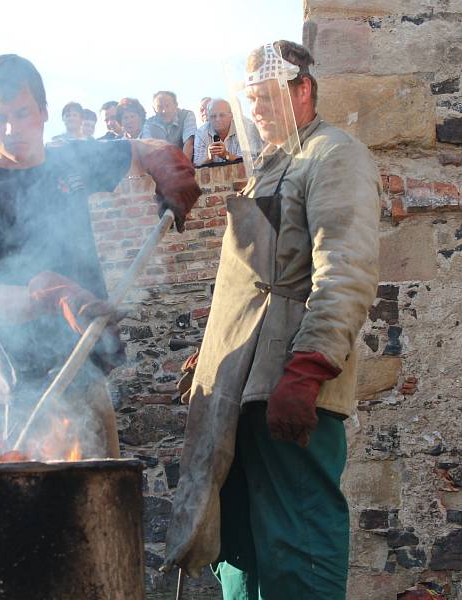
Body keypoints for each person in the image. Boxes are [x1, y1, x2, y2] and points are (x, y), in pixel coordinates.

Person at [163, 40, 381, 600]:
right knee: (241, 547)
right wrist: (214, 348)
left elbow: (345, 272)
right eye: (249, 98)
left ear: (302, 90)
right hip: (243, 386)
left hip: (286, 383)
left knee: (298, 543)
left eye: (266, 96)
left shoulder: (334, 155)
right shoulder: (272, 166)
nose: (256, 109)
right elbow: (253, 282)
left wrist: (307, 370)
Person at [0, 54, 200, 464]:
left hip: (86, 382)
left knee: (102, 520)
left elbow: (137, 148)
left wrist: (165, 162)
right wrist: (45, 295)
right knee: (20, 527)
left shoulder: (68, 158)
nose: (11, 130)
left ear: (44, 112)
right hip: (20, 399)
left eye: (22, 113)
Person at [193, 98, 260, 166]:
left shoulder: (244, 128)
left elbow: (252, 161)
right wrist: (209, 158)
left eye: (222, 115)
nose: (218, 119)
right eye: (213, 116)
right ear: (208, 118)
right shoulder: (201, 133)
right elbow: (196, 165)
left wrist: (226, 155)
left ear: (231, 115)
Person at [142, 91, 197, 161]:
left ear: (176, 105)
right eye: (160, 107)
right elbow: (148, 148)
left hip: (185, 163)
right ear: (154, 109)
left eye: (167, 105)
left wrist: (183, 168)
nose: (164, 111)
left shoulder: (187, 115)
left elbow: (189, 143)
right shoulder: (148, 124)